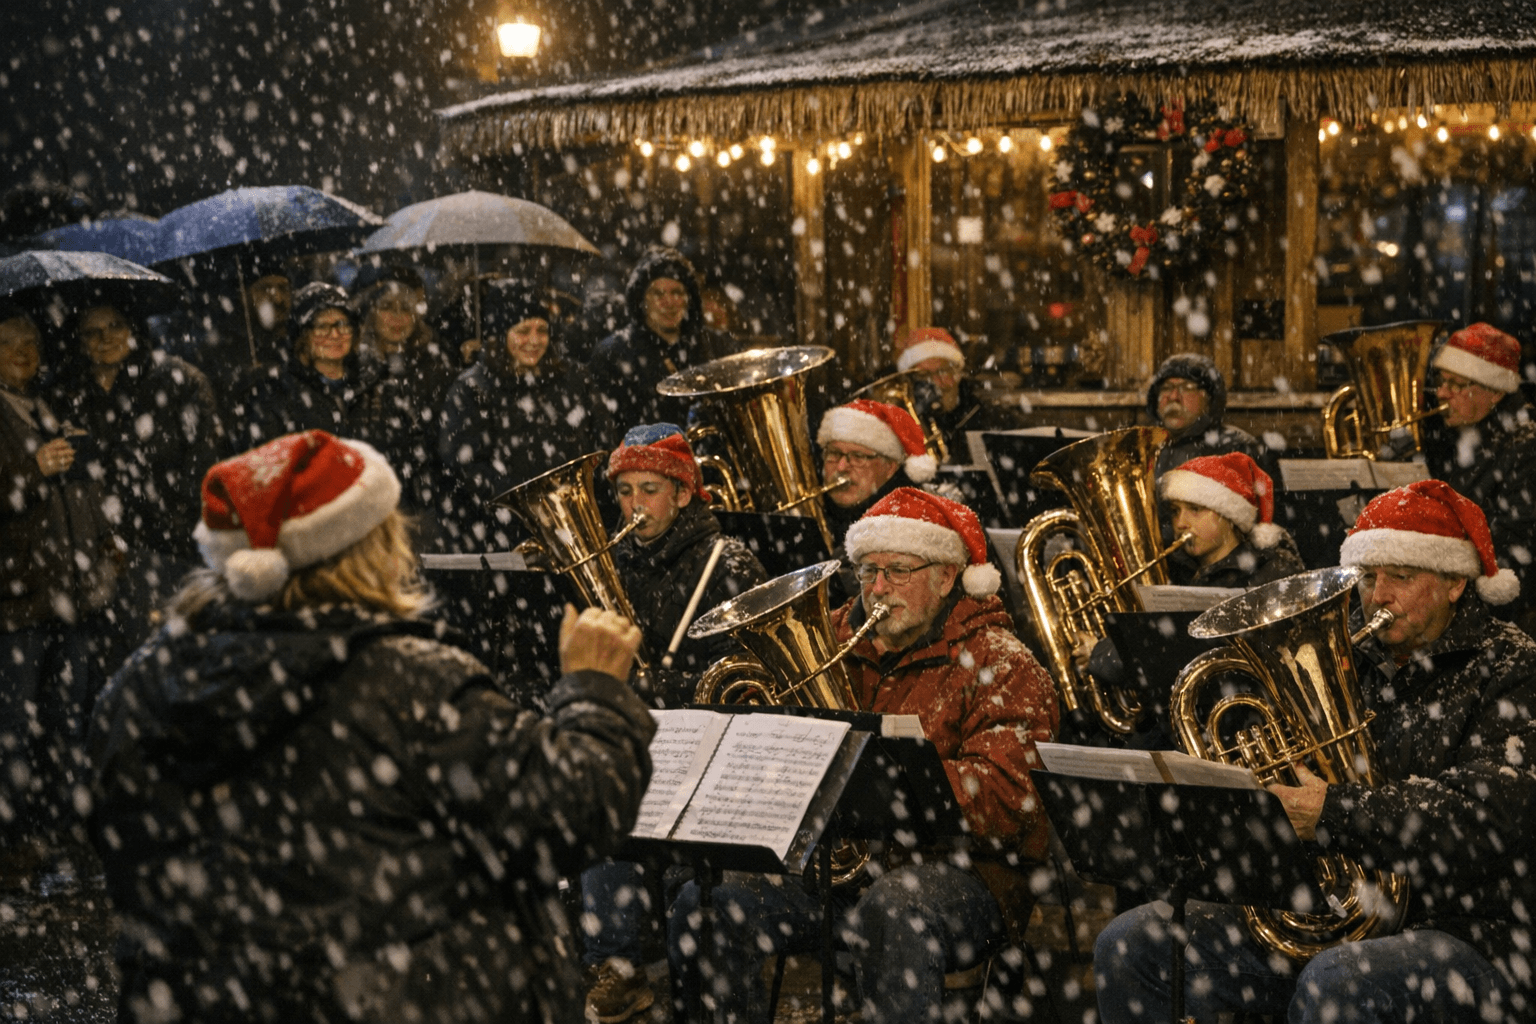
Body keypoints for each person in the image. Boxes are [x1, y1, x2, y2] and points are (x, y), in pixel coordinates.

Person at [87, 429, 657, 1023]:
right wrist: (594, 692)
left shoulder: (139, 687)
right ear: (368, 546)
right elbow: (576, 812)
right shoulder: (407, 681)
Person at [1094, 479, 1536, 1024]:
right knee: (1134, 942)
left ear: (1453, 583)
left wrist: (1334, 812)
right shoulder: (1354, 651)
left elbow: (1489, 815)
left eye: (1401, 576)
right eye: (1369, 578)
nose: (1378, 597)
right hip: (1332, 909)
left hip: (1472, 930)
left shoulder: (1513, 667)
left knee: (1339, 982)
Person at [667, 488, 1059, 1024]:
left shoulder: (1005, 663)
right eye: (867, 571)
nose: (877, 589)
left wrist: (899, 776)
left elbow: (1016, 801)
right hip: (837, 870)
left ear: (946, 577)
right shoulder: (832, 640)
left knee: (894, 907)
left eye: (897, 571)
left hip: (967, 876)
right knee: (704, 904)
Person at [581, 424, 768, 1022]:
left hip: (709, 744)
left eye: (651, 489)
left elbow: (748, 676)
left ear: (684, 494)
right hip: (641, 736)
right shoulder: (615, 561)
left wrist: (670, 689)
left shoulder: (727, 561)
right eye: (627, 490)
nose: (636, 505)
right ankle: (619, 965)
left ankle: (686, 975)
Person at [0, 305, 119, 855]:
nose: (25, 353)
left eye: (32, 343)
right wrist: (32, 470)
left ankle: (61, 828)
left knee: (69, 718)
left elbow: (74, 490)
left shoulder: (45, 407)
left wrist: (100, 539)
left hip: (67, 593)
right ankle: (14, 838)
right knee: (15, 732)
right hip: (17, 599)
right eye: (10, 343)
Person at [48, 299, 222, 657]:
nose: (105, 338)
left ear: (133, 329)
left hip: (169, 546)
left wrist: (171, 526)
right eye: (92, 332)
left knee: (175, 656)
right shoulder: (67, 395)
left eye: (114, 326)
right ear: (79, 341)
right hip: (98, 556)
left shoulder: (178, 380)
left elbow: (202, 464)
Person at [437, 279, 614, 552]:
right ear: (500, 334)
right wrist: (529, 500)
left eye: (542, 330)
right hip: (507, 535)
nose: (534, 341)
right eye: (522, 330)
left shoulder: (574, 379)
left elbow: (602, 441)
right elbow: (463, 466)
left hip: (575, 526)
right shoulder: (474, 389)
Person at [1419, 323, 1536, 626]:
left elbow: (1511, 549)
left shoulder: (1526, 449)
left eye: (1456, 384)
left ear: (1495, 392)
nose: (1442, 393)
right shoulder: (1466, 431)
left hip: (1501, 613)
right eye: (1441, 381)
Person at [352, 267, 459, 550]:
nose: (398, 317)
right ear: (371, 312)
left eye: (406, 309)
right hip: (372, 501)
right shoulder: (354, 369)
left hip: (426, 503)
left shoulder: (436, 366)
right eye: (387, 307)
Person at [589, 246, 738, 438]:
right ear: (642, 300)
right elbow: (608, 432)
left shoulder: (715, 346)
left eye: (676, 292)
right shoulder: (612, 355)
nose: (669, 302)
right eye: (658, 294)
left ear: (688, 298)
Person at [227, 282, 383, 453]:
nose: (335, 335)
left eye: (342, 325)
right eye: (322, 327)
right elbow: (265, 461)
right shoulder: (277, 394)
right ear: (303, 336)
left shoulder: (374, 383)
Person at [816, 399, 938, 605]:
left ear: (890, 466)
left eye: (858, 456)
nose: (842, 466)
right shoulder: (820, 513)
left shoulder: (918, 520)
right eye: (834, 454)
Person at [1159, 451, 1304, 587]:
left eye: (1195, 509)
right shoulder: (1173, 570)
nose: (1180, 523)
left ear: (1228, 516)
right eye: (1175, 511)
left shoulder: (1272, 573)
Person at [892, 326, 1020, 457]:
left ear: (957, 373)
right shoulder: (900, 426)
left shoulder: (994, 421)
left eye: (942, 371)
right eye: (923, 375)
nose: (935, 381)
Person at [1146, 352, 1275, 480]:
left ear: (1209, 399)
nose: (1174, 397)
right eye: (1166, 387)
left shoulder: (1236, 449)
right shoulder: (1144, 449)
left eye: (1187, 387)